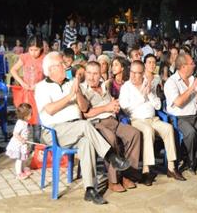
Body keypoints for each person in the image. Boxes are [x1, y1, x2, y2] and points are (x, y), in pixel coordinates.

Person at [35, 52, 131, 204]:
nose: (65, 66)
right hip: (54, 131)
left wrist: (77, 92)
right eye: (61, 64)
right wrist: (69, 97)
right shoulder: (41, 87)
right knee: (85, 125)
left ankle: (90, 189)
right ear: (51, 69)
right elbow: (50, 110)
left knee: (86, 142)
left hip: (76, 128)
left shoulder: (70, 83)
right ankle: (111, 156)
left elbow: (84, 107)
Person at [119, 60, 186, 185]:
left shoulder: (147, 84)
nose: (133, 75)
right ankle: (146, 170)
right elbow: (125, 107)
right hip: (136, 120)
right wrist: (141, 95)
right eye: (132, 72)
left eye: (137, 73)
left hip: (153, 119)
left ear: (142, 73)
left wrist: (149, 93)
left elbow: (158, 105)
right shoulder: (126, 87)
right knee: (148, 131)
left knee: (168, 128)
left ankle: (171, 167)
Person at [81, 61, 141, 192]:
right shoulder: (82, 89)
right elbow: (85, 114)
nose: (92, 77)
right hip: (97, 124)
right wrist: (106, 107)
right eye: (89, 73)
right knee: (111, 139)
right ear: (85, 74)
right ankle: (113, 181)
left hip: (113, 121)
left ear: (100, 74)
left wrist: (114, 105)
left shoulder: (104, 86)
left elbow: (110, 105)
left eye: (95, 73)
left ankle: (127, 175)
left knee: (134, 134)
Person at [164, 53, 197, 174]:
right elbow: (179, 102)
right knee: (190, 133)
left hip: (194, 115)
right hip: (179, 118)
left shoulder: (192, 79)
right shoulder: (171, 82)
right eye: (191, 63)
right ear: (183, 66)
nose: (194, 65)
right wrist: (192, 87)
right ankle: (188, 160)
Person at [10, 36, 45, 142]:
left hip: (39, 94)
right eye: (31, 50)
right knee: (24, 120)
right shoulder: (24, 57)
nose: (33, 53)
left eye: (36, 50)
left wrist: (38, 85)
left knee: (37, 122)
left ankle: (36, 146)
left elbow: (49, 76)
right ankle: (21, 144)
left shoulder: (44, 58)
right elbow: (13, 70)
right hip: (26, 94)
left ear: (41, 48)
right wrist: (22, 83)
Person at [5, 103, 33, 180]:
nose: (32, 115)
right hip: (18, 145)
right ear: (25, 115)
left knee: (24, 157)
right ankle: (19, 173)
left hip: (23, 144)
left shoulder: (25, 122)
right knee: (19, 159)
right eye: (31, 114)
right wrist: (22, 139)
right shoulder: (20, 123)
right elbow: (15, 133)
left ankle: (23, 168)